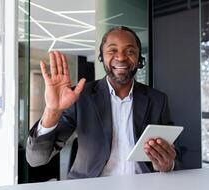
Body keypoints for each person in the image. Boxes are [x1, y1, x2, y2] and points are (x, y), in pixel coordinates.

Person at [26, 26, 181, 179]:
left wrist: (167, 164)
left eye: (130, 51)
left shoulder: (157, 100)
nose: (121, 57)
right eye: (112, 50)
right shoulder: (81, 96)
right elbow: (36, 159)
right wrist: (52, 110)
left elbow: (175, 154)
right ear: (101, 57)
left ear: (139, 59)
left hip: (143, 189)